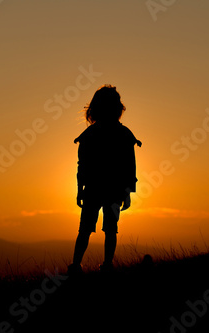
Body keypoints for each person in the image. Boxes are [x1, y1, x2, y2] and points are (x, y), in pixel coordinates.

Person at [68, 85, 141, 275]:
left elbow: (81, 165)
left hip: (94, 188)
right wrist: (127, 192)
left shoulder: (90, 134)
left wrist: (79, 189)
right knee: (110, 229)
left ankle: (76, 265)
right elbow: (129, 166)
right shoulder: (123, 134)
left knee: (86, 229)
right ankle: (106, 265)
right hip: (114, 188)